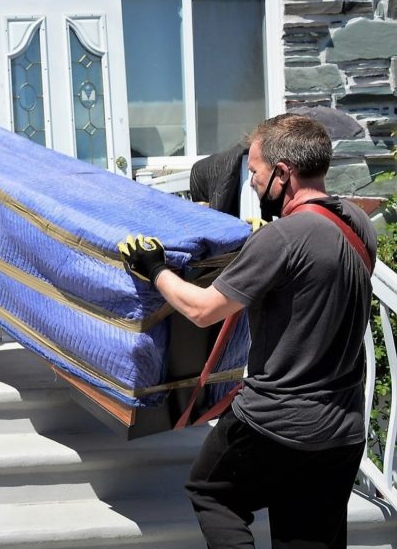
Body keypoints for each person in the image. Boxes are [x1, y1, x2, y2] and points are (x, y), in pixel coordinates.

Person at [118, 114, 375, 548]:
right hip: (341, 429)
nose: (252, 183)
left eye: (255, 172)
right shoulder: (354, 222)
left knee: (211, 493)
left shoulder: (284, 239)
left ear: (283, 173)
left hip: (276, 421)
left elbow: (203, 311)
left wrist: (154, 269)